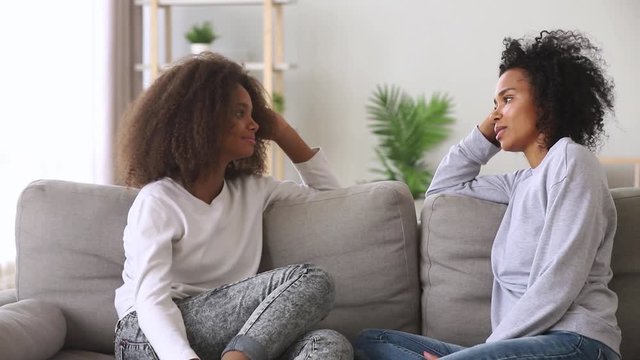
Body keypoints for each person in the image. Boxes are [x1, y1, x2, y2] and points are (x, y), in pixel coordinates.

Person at [355, 29, 621, 360]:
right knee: (373, 341)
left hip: (575, 342)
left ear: (547, 103)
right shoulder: (521, 182)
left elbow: (558, 283)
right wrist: (486, 133)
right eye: (493, 104)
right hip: (516, 346)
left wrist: (487, 352)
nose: (496, 114)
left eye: (508, 99)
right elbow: (444, 189)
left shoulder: (573, 161)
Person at [114, 52, 353, 360]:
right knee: (313, 279)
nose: (254, 124)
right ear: (201, 119)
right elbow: (151, 301)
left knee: (329, 344)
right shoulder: (158, 200)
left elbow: (332, 200)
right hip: (147, 336)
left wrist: (281, 131)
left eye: (255, 115)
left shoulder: (253, 190)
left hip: (227, 335)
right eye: (239, 113)